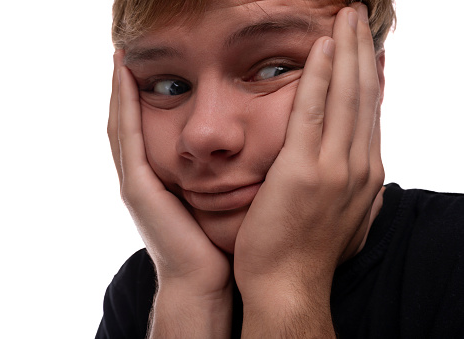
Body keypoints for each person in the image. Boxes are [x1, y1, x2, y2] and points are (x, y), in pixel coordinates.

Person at [96, 0, 464, 338]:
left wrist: (285, 284)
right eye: (169, 86)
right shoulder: (141, 291)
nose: (202, 133)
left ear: (371, 79)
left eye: (273, 69)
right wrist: (188, 297)